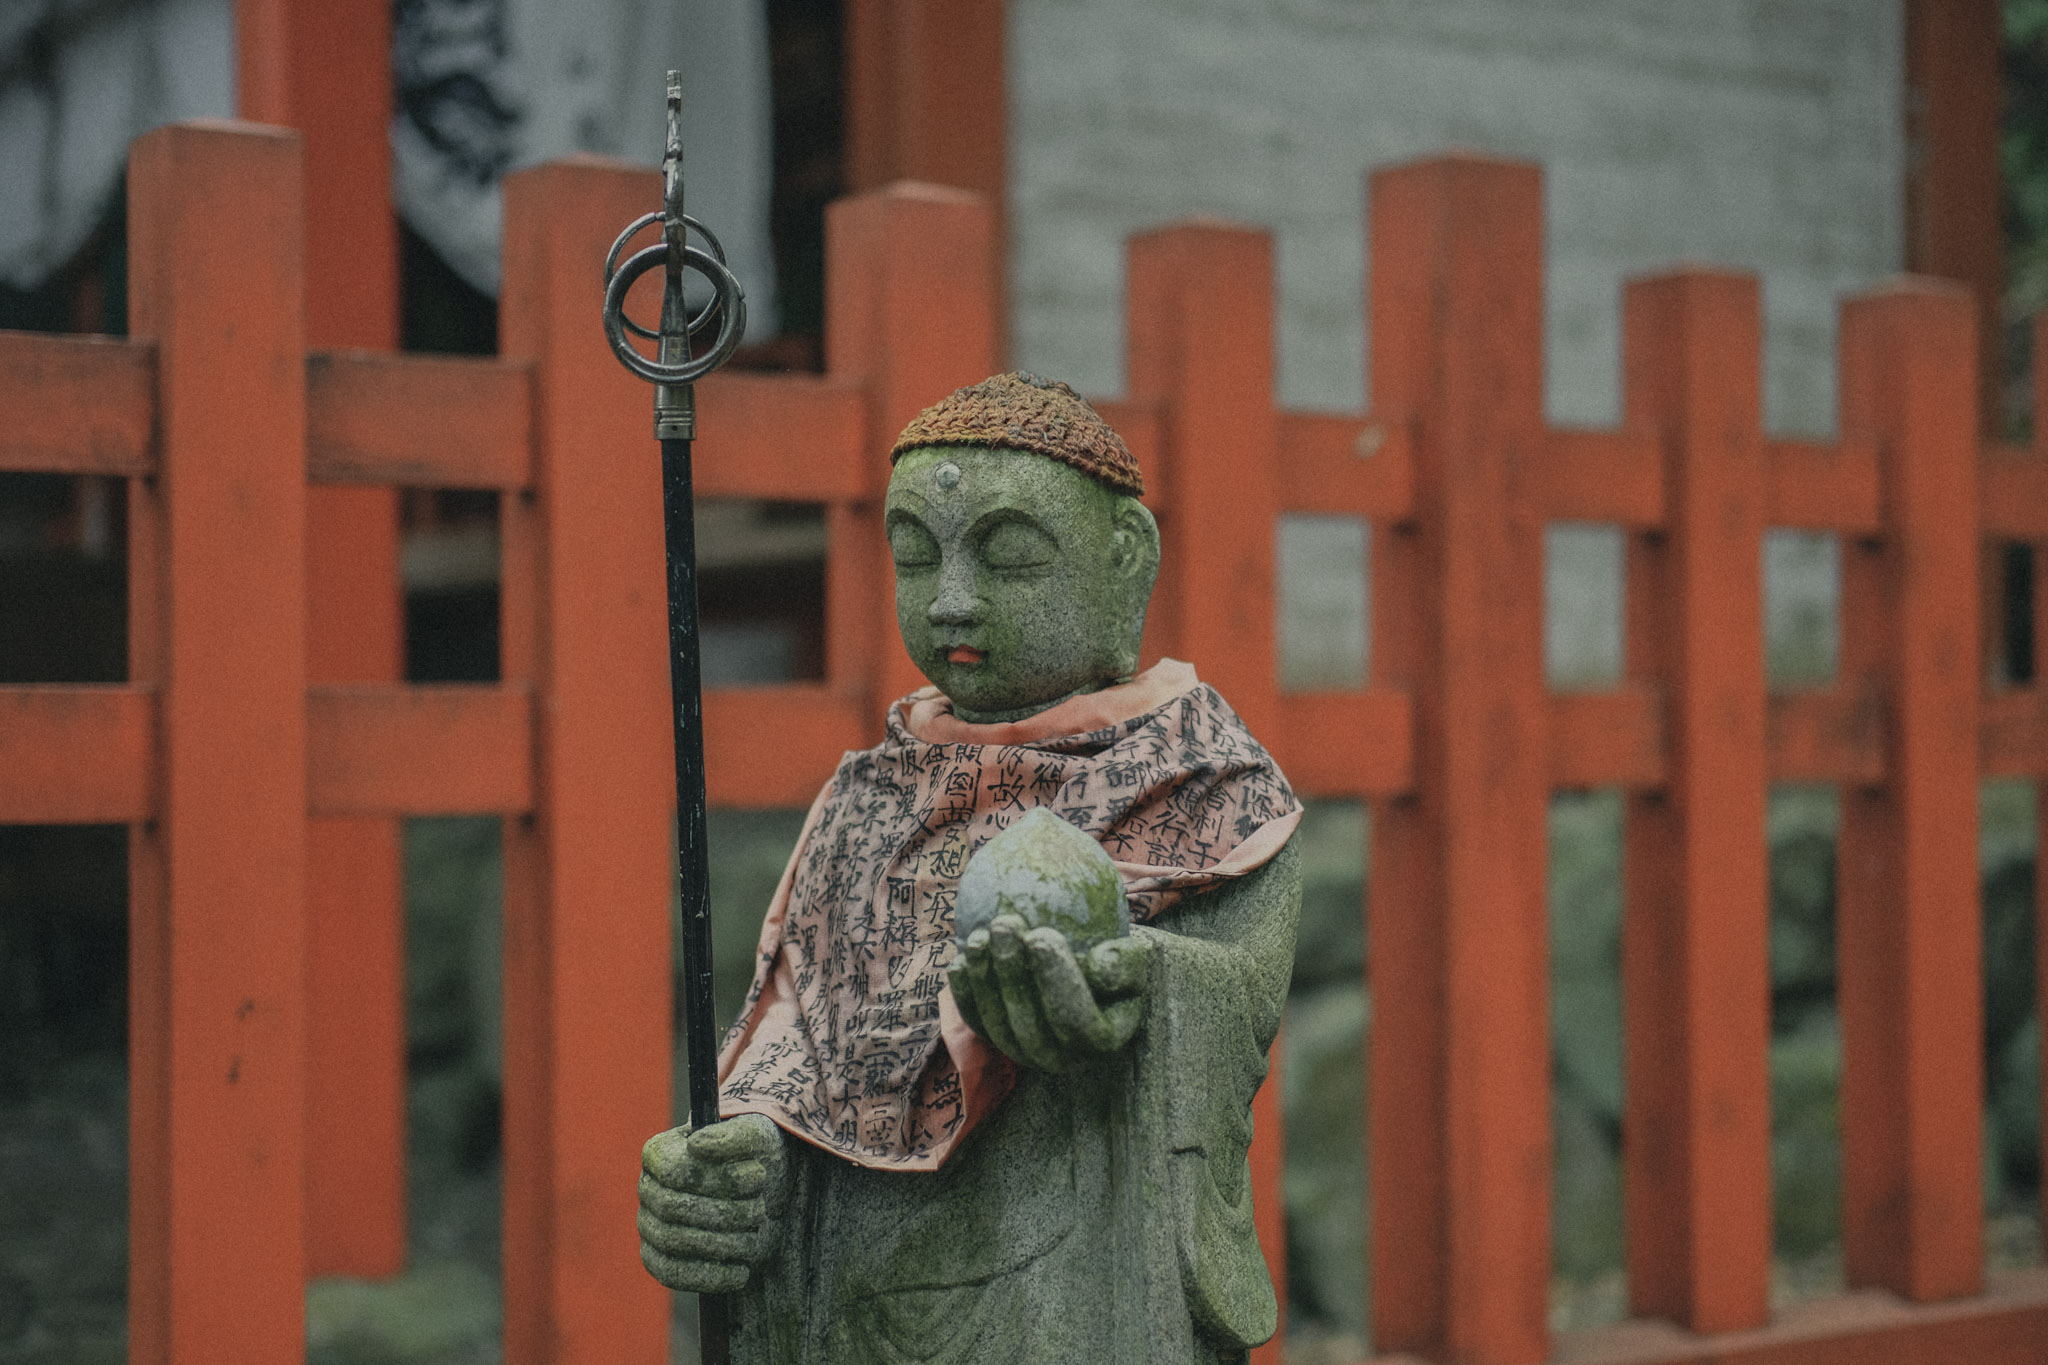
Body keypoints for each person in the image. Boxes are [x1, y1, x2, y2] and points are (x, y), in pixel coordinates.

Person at [637, 372, 1302, 1363]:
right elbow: (801, 1054)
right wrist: (725, 1172)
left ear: (1124, 563)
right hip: (851, 1303)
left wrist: (1137, 989)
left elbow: (1234, 999)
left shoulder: (1204, 786)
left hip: (1067, 1292)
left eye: (1011, 559)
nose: (950, 600)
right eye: (914, 555)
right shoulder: (872, 796)